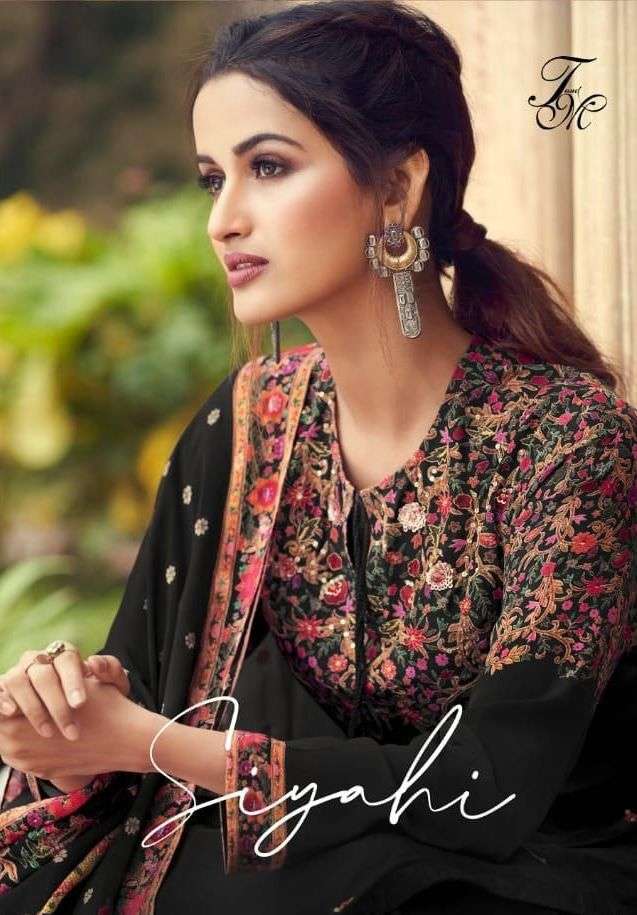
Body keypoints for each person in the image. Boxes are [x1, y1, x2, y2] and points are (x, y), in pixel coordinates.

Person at [0, 1, 636, 912]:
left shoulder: (566, 440)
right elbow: (136, 711)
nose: (223, 219)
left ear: (397, 187)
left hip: (535, 871)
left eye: (267, 167)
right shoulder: (251, 424)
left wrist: (146, 740)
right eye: (211, 178)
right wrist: (61, 718)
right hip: (353, 853)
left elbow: (489, 783)